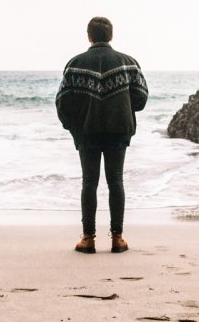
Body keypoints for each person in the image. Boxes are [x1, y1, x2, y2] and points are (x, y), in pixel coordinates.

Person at [56, 17, 148, 254]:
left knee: (89, 182)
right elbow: (141, 98)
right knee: (115, 181)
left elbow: (62, 102)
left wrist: (74, 126)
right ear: (111, 35)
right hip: (119, 130)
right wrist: (122, 108)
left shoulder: (75, 64)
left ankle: (88, 239)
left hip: (87, 132)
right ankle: (117, 238)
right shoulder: (129, 64)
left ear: (89, 36)